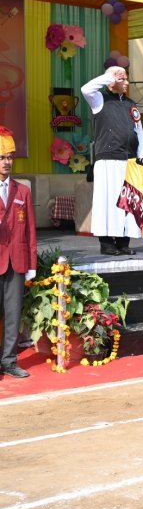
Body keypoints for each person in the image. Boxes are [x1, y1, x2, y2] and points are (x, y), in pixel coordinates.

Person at [82, 66, 143, 256]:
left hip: (130, 161)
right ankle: (107, 244)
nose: (126, 83)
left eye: (126, 79)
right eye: (122, 79)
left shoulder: (131, 104)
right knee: (108, 202)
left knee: (129, 202)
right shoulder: (99, 99)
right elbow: (86, 89)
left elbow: (139, 133)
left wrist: (142, 160)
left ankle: (124, 243)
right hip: (108, 160)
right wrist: (109, 76)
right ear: (111, 81)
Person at [0, 126, 36, 378]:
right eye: (2, 157)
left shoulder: (22, 190)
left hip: (17, 261)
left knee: (13, 315)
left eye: (10, 157)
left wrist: (31, 264)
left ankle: (9, 361)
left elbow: (31, 231)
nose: (7, 162)